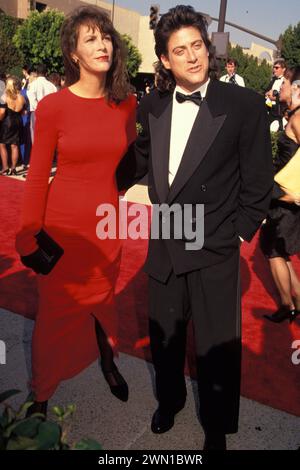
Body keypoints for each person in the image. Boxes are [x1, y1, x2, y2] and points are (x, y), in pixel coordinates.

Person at [117, 5, 273, 450]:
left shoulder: (244, 104)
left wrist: (238, 235)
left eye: (197, 46)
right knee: (165, 337)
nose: (192, 57)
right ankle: (169, 402)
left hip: (215, 247)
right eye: (179, 50)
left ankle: (218, 426)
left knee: (217, 347)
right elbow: (139, 166)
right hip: (166, 241)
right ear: (164, 60)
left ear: (208, 48)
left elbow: (258, 181)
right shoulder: (152, 104)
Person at [16, 5, 136, 417]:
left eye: (105, 36)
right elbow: (35, 179)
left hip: (108, 226)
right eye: (90, 38)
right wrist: (27, 235)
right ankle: (42, 394)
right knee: (53, 315)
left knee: (105, 302)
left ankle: (108, 362)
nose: (102, 44)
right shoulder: (54, 108)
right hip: (63, 230)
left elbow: (129, 164)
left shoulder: (127, 105)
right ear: (73, 54)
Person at [260, 66, 300, 323]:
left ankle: (287, 305)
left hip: (287, 197)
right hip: (284, 196)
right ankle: (294, 303)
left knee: (273, 248)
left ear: (297, 88)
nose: (280, 86)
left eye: (284, 82)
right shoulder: (293, 116)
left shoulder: (298, 119)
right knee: (279, 250)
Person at [0, 76, 25, 175]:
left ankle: (5, 167)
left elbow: (2, 113)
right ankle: (13, 168)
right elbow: (24, 112)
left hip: (7, 121)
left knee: (2, 144)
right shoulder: (21, 97)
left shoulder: (4, 96)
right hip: (18, 121)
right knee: (14, 145)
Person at [26, 63, 57, 142]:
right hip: (50, 114)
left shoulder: (32, 85)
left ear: (36, 73)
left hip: (37, 113)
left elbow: (32, 100)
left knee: (36, 140)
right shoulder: (52, 86)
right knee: (48, 139)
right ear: (46, 73)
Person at [265, 58, 287, 130]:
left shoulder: (286, 81)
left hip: (279, 111)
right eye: (274, 67)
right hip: (269, 108)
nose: (274, 69)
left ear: (283, 69)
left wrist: (274, 98)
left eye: (277, 68)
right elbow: (265, 91)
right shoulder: (273, 79)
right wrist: (267, 93)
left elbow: (286, 98)